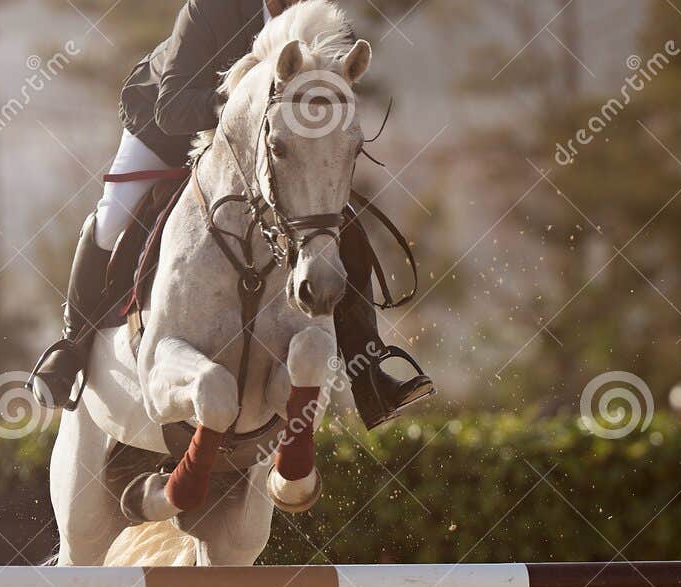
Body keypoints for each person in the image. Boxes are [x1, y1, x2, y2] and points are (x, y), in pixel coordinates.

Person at [30, 0, 433, 430]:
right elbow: (173, 109)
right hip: (165, 127)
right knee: (113, 216)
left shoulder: (324, 26)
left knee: (336, 223)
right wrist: (249, 102)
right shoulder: (210, 9)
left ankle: (368, 370)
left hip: (269, 150)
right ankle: (71, 347)